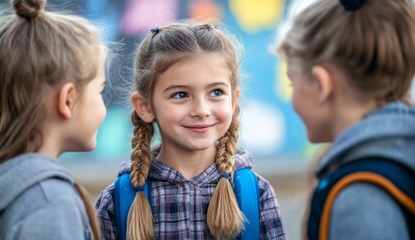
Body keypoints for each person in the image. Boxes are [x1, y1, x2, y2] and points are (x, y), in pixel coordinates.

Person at [96, 21, 286, 240]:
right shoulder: (117, 201)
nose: (201, 110)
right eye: (181, 95)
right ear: (145, 107)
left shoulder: (256, 194)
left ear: (234, 100)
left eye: (216, 92)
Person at [278, 0, 415, 239]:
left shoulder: (360, 198)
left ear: (322, 84)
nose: (293, 96)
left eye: (293, 82)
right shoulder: (397, 156)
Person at [0, 0, 110, 239]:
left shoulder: (3, 183)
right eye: (100, 90)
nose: (101, 101)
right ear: (67, 100)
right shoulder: (50, 202)